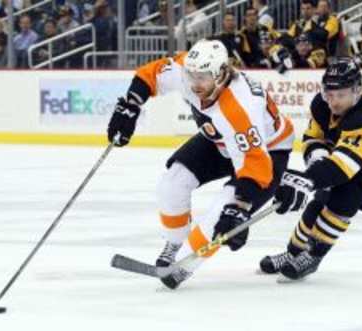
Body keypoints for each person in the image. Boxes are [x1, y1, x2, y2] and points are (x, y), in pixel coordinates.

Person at [107, 39, 295, 289]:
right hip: (218, 140)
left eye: (203, 77)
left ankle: (185, 263)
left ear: (222, 73)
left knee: (221, 214)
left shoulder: (239, 107)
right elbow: (150, 74)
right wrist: (130, 106)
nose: (195, 83)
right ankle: (175, 243)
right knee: (171, 184)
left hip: (267, 153)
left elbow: (255, 164)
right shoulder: (188, 69)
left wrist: (239, 207)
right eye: (191, 75)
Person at [259, 57, 362, 280]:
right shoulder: (321, 105)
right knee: (322, 196)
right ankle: (293, 253)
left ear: (357, 91)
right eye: (329, 94)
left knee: (346, 196)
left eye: (341, 95)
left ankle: (313, 255)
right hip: (361, 157)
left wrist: (305, 180)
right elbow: (313, 140)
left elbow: (342, 167)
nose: (333, 102)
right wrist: (314, 171)